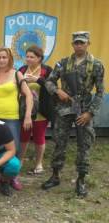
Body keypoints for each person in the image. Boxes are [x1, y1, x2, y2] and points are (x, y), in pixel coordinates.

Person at [41, 31, 105, 197]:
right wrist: (58, 91)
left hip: (84, 110)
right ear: (72, 44)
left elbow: (100, 91)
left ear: (88, 43)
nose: (79, 45)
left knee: (84, 145)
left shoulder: (96, 65)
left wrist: (90, 113)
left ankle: (81, 180)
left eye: (82, 42)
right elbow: (49, 81)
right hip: (65, 109)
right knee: (59, 142)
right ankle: (55, 175)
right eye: (76, 42)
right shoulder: (63, 63)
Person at [0, 47, 33, 190]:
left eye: (4, 57)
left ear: (9, 58)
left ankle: (12, 176)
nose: (1, 60)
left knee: (14, 148)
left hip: (12, 118)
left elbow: (28, 95)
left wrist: (28, 116)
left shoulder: (17, 74)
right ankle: (0, 174)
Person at [18, 46, 53, 174]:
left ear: (39, 58)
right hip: (25, 110)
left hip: (41, 112)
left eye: (32, 57)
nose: (28, 59)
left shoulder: (47, 70)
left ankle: (39, 164)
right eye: (27, 56)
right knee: (23, 136)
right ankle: (20, 160)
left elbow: (52, 88)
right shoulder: (21, 69)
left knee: (39, 137)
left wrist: (38, 80)